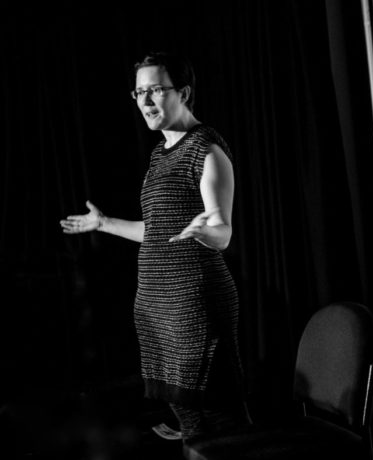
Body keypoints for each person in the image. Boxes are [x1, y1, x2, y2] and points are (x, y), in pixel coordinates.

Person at [60, 52, 249, 442]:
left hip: (194, 304)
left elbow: (222, 232)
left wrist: (202, 232)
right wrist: (104, 223)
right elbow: (161, 231)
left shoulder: (206, 150)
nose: (145, 102)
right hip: (158, 307)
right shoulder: (159, 155)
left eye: (155, 90)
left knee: (217, 420)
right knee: (189, 420)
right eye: (139, 92)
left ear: (183, 92)